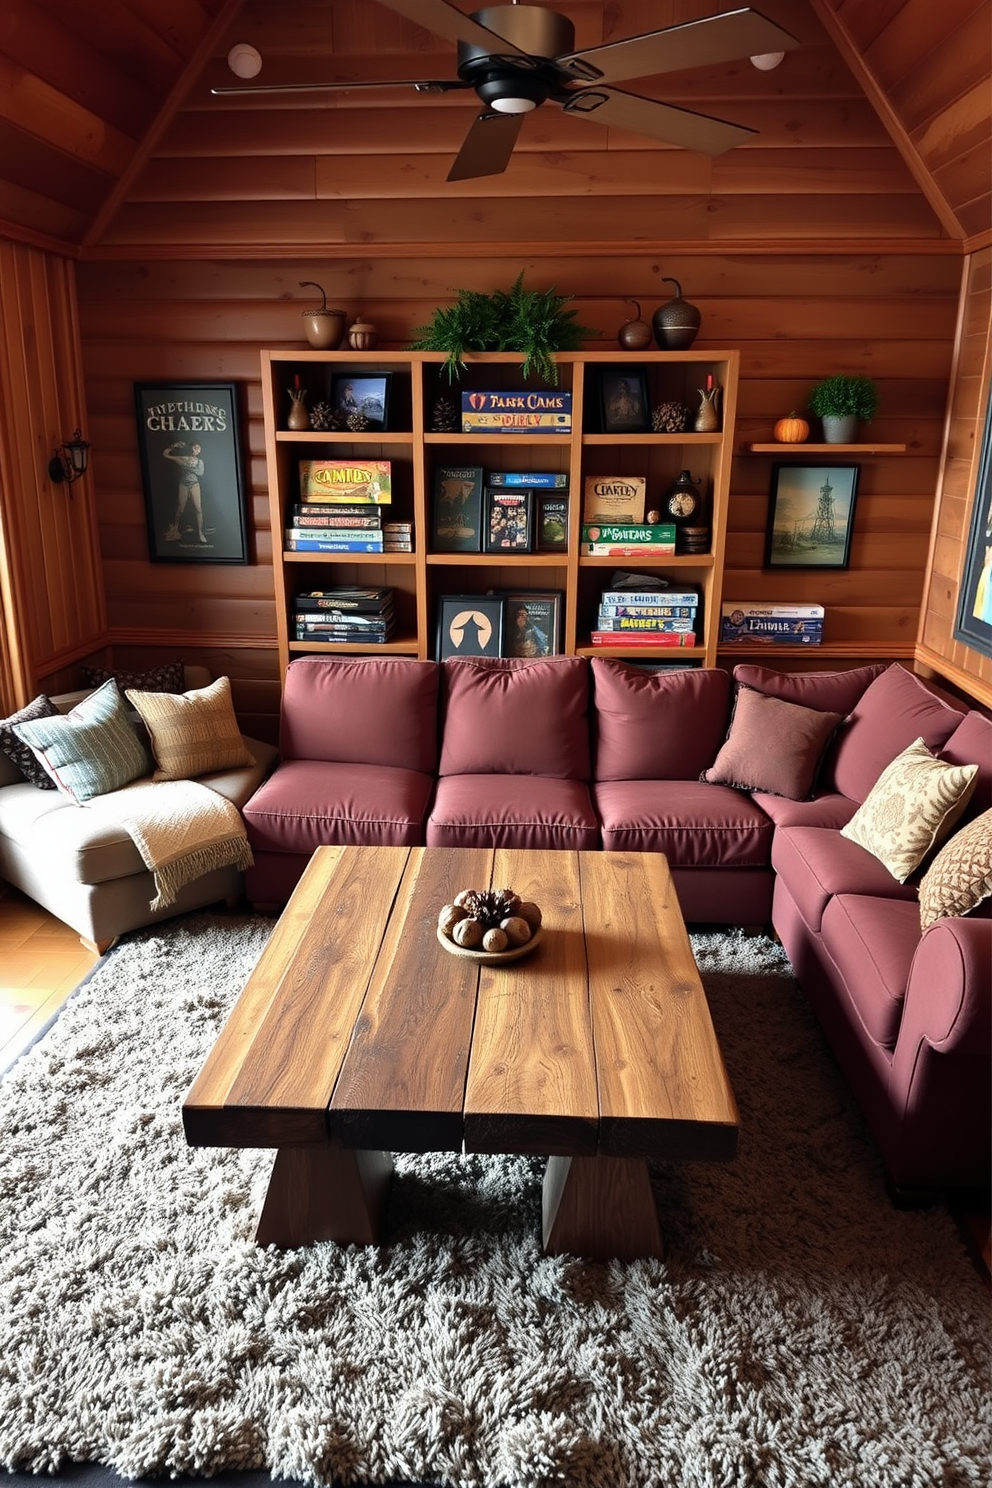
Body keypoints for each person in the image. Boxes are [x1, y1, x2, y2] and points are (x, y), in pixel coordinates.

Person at [162, 441, 207, 544]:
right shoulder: (184, 458)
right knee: (181, 508)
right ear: (191, 448)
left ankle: (200, 532)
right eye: (194, 447)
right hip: (184, 485)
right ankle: (175, 528)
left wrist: (187, 467)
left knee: (198, 508)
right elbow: (165, 455)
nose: (195, 450)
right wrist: (174, 445)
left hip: (194, 485)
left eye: (197, 448)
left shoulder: (199, 462)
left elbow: (200, 473)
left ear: (199, 451)